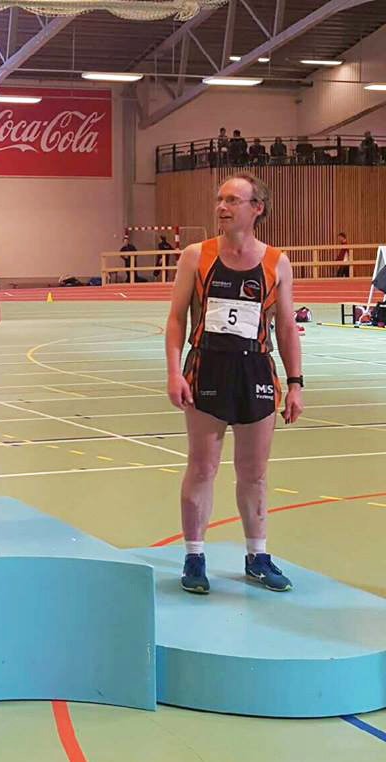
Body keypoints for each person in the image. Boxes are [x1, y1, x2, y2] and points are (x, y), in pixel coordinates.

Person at [165, 173, 303, 595]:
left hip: (256, 372)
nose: (222, 207)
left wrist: (295, 383)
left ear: (257, 208)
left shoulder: (276, 262)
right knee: (202, 467)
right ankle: (194, 556)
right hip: (207, 370)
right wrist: (174, 371)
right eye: (220, 199)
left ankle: (257, 556)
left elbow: (286, 327)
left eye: (232, 200)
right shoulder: (196, 256)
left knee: (254, 473)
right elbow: (176, 319)